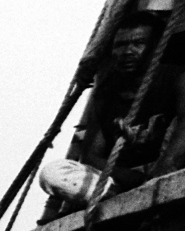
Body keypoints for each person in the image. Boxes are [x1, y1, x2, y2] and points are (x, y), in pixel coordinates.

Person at [42, 13, 185, 210]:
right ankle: (115, 196)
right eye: (120, 45)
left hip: (170, 168)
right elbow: (91, 156)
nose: (127, 51)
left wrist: (161, 171)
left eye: (138, 43)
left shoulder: (176, 78)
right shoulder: (106, 94)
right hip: (123, 177)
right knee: (52, 173)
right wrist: (136, 180)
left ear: (156, 47)